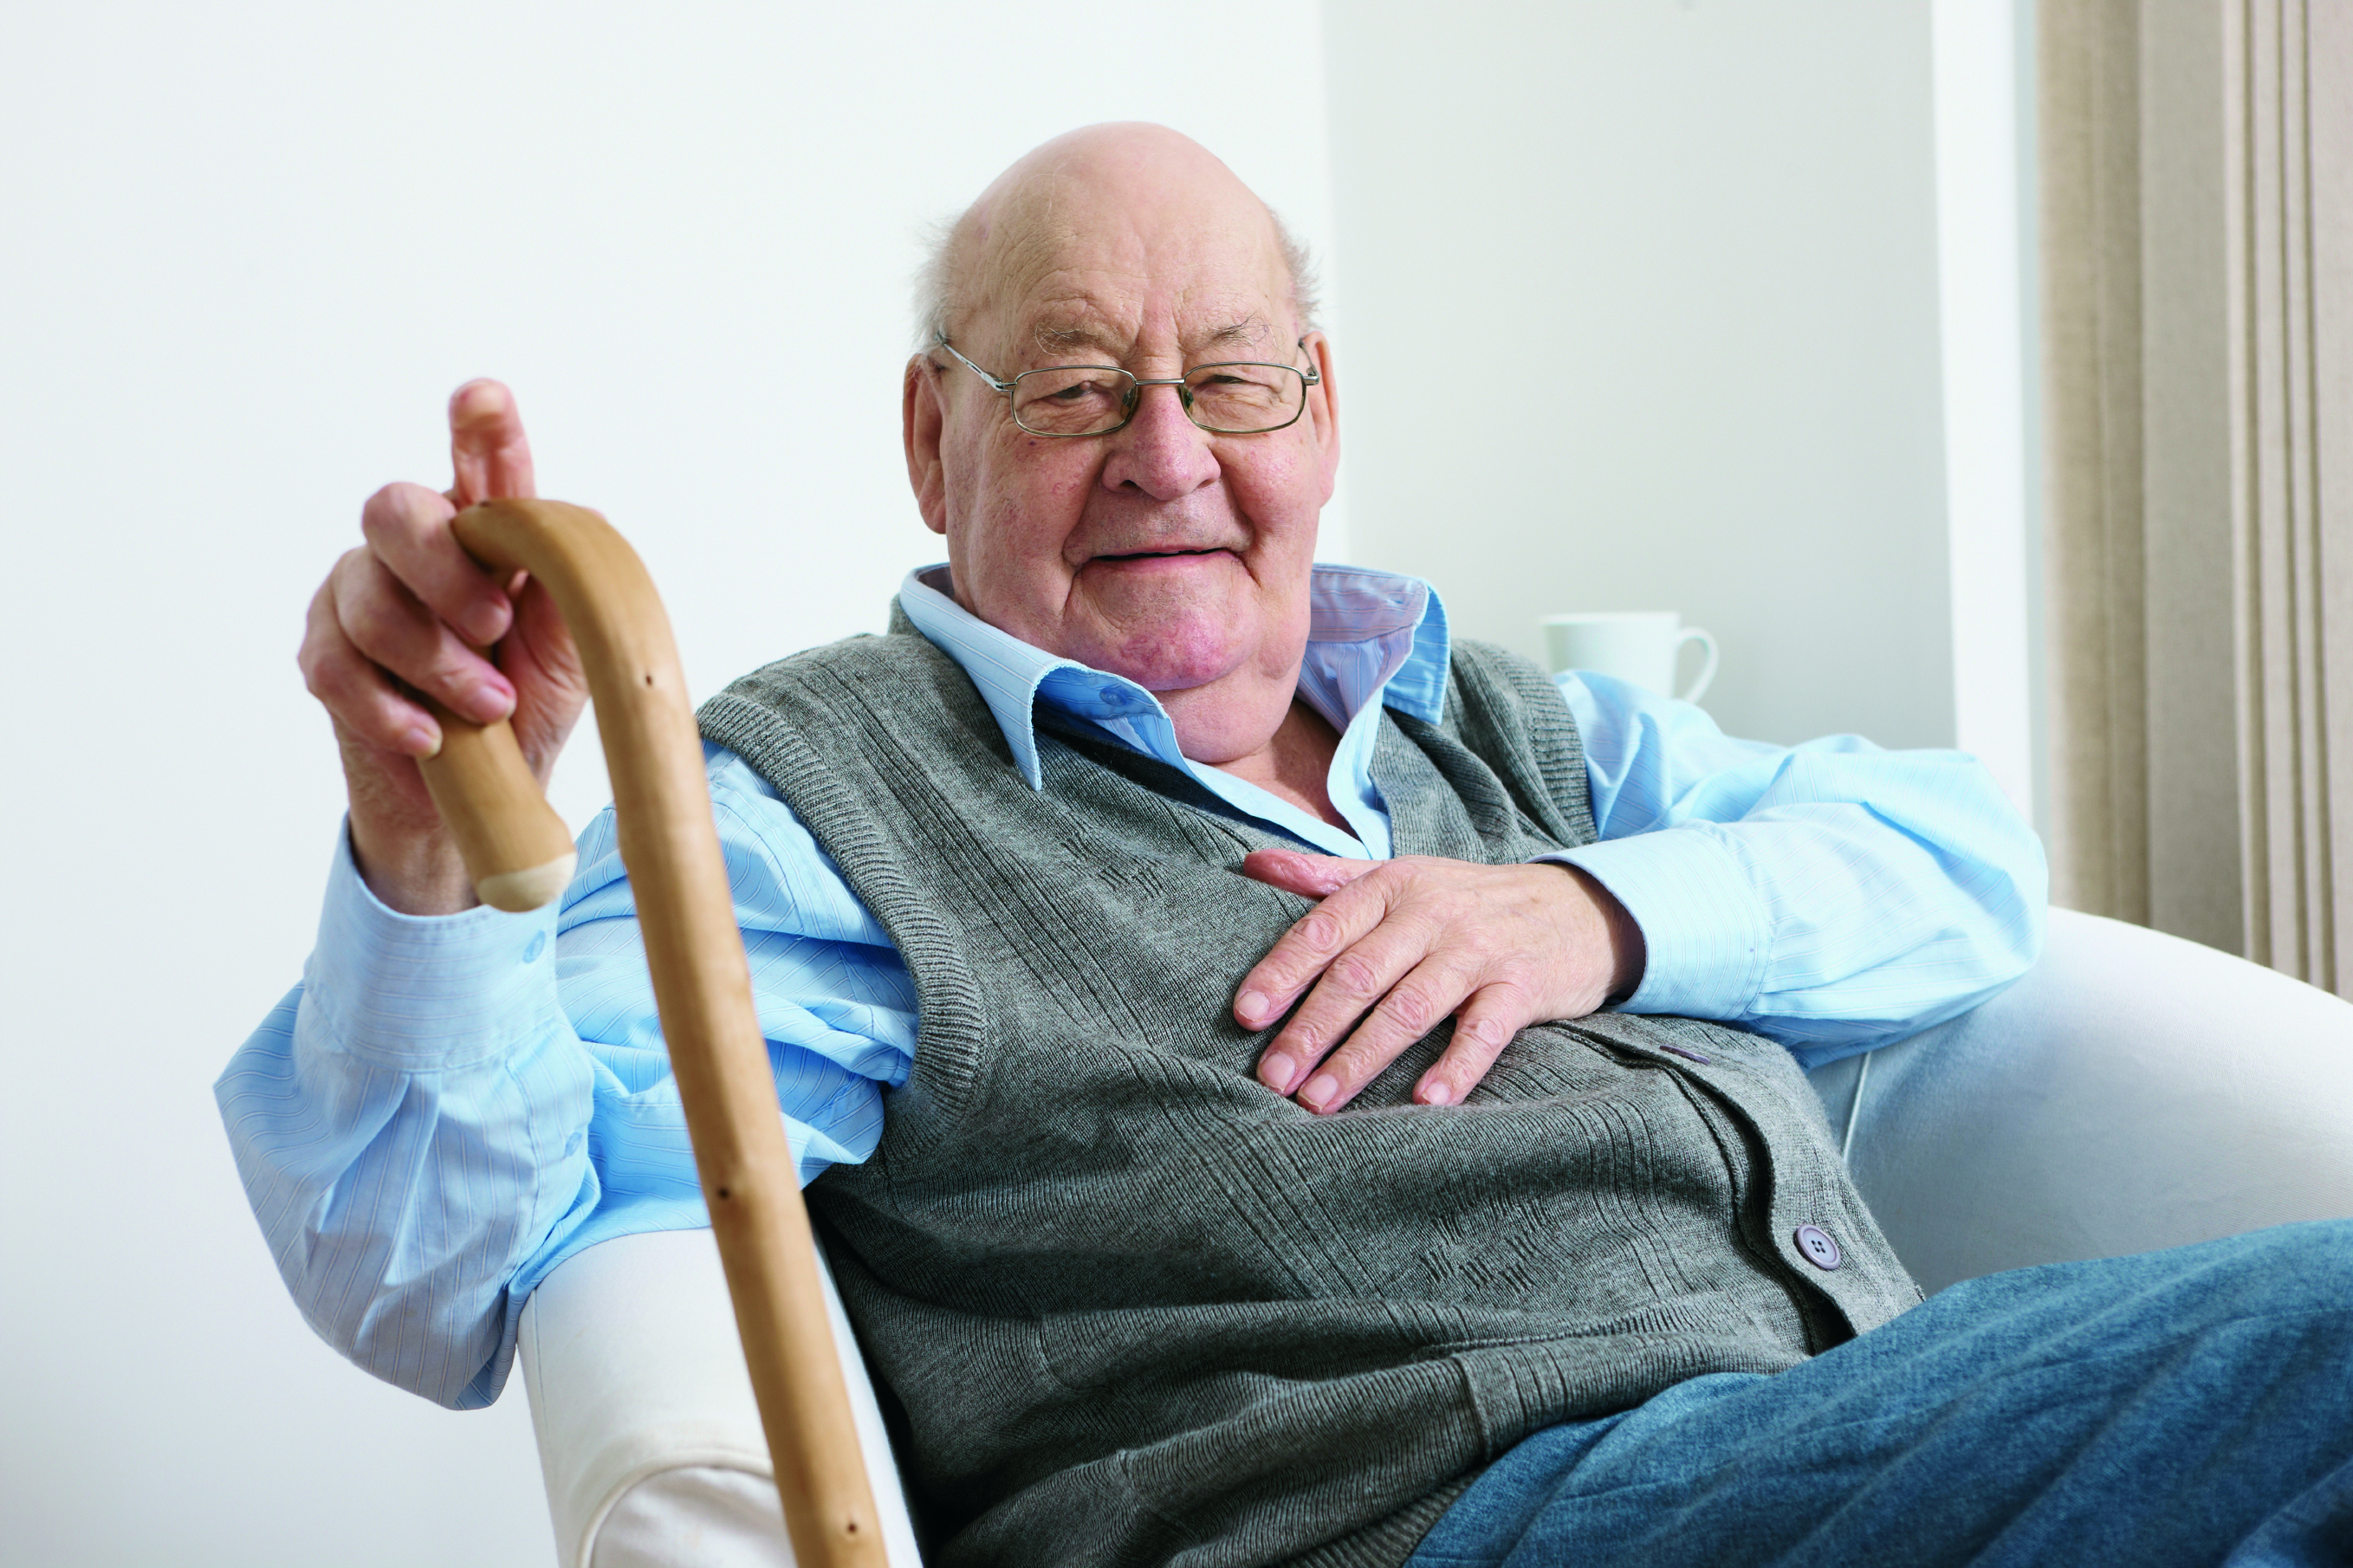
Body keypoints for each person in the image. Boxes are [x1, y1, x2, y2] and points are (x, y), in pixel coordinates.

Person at [220, 125, 2352, 1566]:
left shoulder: (1495, 716)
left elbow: (1954, 857)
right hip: (1437, 1517)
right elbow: (451, 1269)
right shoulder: (807, 805)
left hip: (1838, 1437)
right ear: (927, 437)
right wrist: (424, 857)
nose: (1167, 455)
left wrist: (1587, 910)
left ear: (1316, 410)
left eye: (1229, 379)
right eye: (1070, 386)